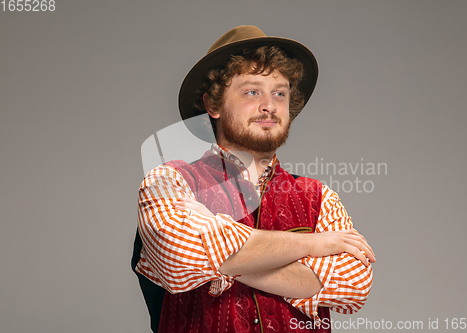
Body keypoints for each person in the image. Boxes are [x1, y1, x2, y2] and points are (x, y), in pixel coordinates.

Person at [132, 25, 375, 333]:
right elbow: (179, 254)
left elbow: (353, 284)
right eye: (252, 91)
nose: (269, 106)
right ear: (213, 104)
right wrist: (314, 245)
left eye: (279, 93)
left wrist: (220, 259)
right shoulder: (169, 182)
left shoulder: (319, 197)